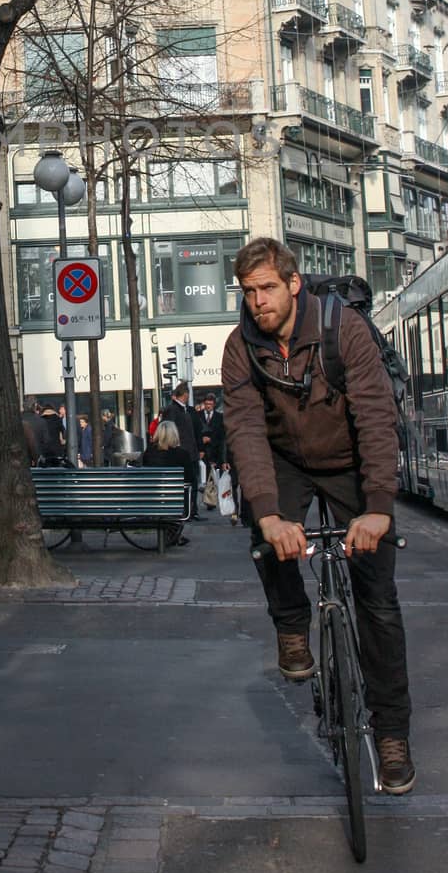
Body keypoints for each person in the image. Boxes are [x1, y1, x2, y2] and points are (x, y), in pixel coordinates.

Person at [220, 236, 414, 795]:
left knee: (378, 603)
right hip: (285, 460)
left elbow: (376, 417)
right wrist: (269, 517)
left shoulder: (342, 331)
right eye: (249, 291)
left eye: (268, 288)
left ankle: (392, 735)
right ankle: (291, 626)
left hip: (351, 458)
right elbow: (247, 434)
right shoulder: (241, 348)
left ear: (293, 284)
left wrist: (378, 508)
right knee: (265, 533)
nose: (258, 301)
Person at [139, 420, 192, 546]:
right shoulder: (182, 454)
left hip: (152, 499)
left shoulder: (149, 452)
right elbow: (190, 478)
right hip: (174, 500)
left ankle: (173, 535)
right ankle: (174, 534)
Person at [163, 381, 201, 515]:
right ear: (185, 395)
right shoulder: (173, 410)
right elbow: (169, 430)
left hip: (190, 452)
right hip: (183, 453)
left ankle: (192, 510)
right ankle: (188, 510)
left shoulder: (184, 409)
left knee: (193, 483)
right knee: (187, 483)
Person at [36, 401, 66, 466]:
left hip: (44, 450)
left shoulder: (40, 420)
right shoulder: (58, 419)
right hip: (56, 450)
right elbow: (63, 434)